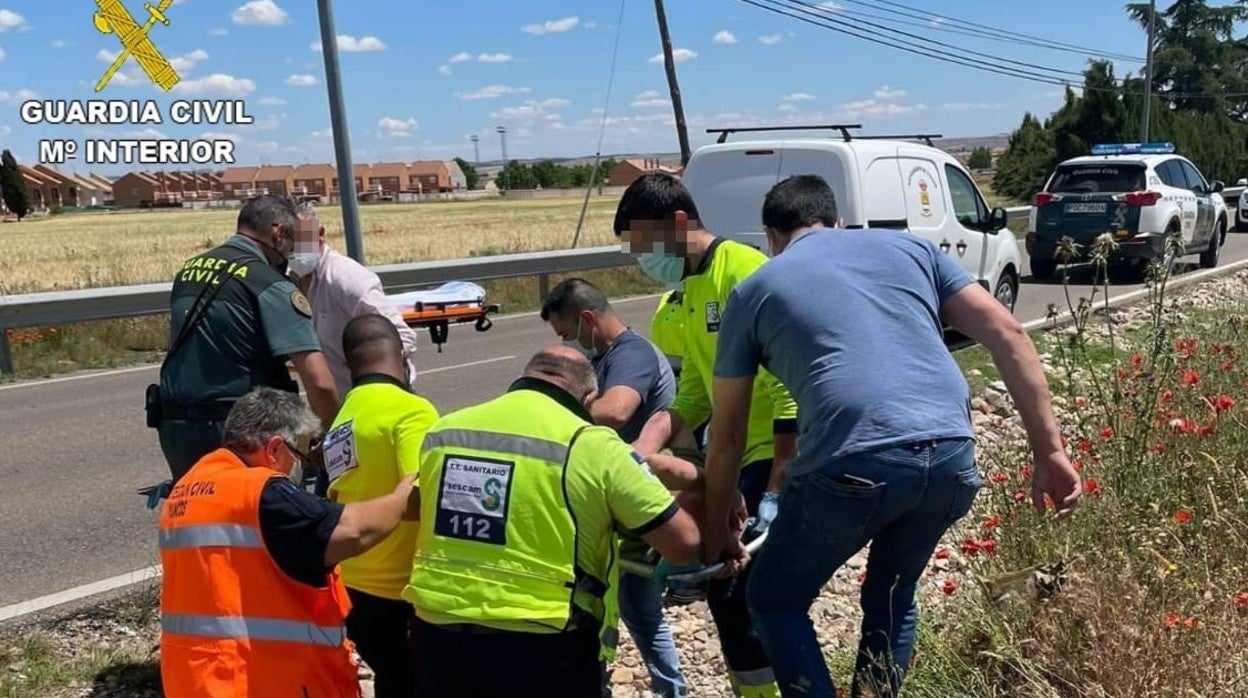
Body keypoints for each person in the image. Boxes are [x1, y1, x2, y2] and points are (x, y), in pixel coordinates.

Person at [707, 175, 1082, 697]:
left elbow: (726, 435)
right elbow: (1008, 333)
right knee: (893, 592)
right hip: (952, 452)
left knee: (774, 598)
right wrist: (1052, 453)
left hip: (853, 457)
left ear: (770, 235)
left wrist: (718, 520)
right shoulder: (912, 249)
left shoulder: (753, 291)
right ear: (836, 220)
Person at [402, 346, 702, 698]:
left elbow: (415, 506)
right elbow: (683, 545)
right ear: (589, 397)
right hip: (543, 639)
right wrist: (702, 485)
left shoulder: (446, 429)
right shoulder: (595, 445)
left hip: (436, 629)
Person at [620, 173, 797, 698]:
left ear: (678, 224)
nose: (641, 261)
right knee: (730, 589)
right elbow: (694, 393)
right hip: (734, 453)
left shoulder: (744, 274)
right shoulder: (690, 290)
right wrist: (641, 447)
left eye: (644, 247)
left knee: (738, 590)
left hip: (773, 452)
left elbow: (789, 392)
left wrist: (776, 491)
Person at [158, 387, 417, 697]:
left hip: (200, 678)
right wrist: (404, 496)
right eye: (301, 454)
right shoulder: (261, 492)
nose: (303, 466)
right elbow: (352, 530)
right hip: (257, 680)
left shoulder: (190, 487)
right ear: (275, 448)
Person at [540, 278, 687, 697]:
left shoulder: (631, 354)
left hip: (636, 499)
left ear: (587, 318)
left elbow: (615, 412)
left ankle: (670, 688)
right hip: (616, 498)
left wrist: (561, 403)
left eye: (567, 333)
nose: (569, 343)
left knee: (636, 605)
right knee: (622, 603)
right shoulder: (608, 356)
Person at [153, 195, 339, 483]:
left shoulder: (188, 271)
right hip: (244, 432)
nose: (289, 257)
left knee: (199, 521)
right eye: (290, 247)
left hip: (176, 429)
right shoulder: (271, 284)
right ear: (278, 234)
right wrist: (331, 439)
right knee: (265, 522)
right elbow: (320, 382)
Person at [323, 315, 439, 698]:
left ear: (346, 363)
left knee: (393, 679)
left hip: (353, 585)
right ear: (403, 356)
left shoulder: (343, 418)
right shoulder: (412, 411)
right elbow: (420, 500)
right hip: (400, 590)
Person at [287, 202, 420, 398]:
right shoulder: (289, 281)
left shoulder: (347, 279)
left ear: (320, 233)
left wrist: (370, 374)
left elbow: (402, 337)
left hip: (376, 399)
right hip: (336, 403)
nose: (295, 247)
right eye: (289, 240)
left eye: (301, 238)